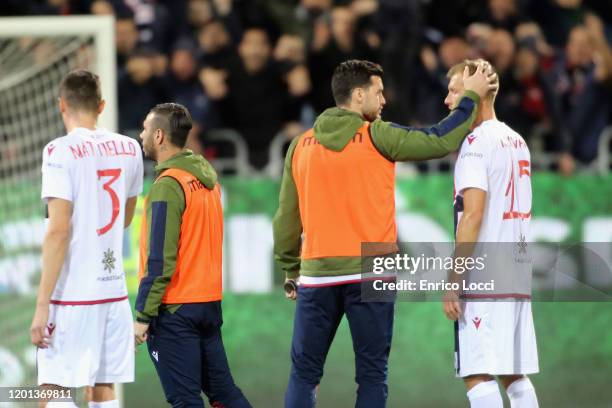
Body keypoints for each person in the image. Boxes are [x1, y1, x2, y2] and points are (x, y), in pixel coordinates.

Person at [273, 59, 496, 408]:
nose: (384, 101)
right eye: (378, 93)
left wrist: (291, 269)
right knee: (372, 375)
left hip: (317, 274)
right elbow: (439, 139)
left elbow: (286, 218)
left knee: (304, 374)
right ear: (358, 95)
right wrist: (470, 97)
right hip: (372, 269)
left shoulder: (300, 146)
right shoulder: (379, 135)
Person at [30, 69, 143, 407]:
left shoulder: (58, 151)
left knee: (53, 390)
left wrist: (41, 306)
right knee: (103, 388)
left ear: (61, 105)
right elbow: (124, 217)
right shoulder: (129, 148)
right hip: (113, 293)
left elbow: (59, 230)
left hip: (72, 297)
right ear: (102, 105)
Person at [134, 103, 251, 408]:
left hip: (175, 309)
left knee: (185, 401)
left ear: (159, 136)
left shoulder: (168, 186)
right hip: (207, 304)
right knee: (225, 394)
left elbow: (160, 260)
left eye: (146, 128)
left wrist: (143, 315)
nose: (141, 134)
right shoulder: (206, 181)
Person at [442, 59, 539, 408]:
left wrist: (454, 280)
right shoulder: (517, 140)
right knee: (514, 373)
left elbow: (473, 215)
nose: (447, 101)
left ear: (474, 92)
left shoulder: (475, 143)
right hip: (515, 270)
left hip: (483, 274)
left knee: (477, 372)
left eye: (454, 91)